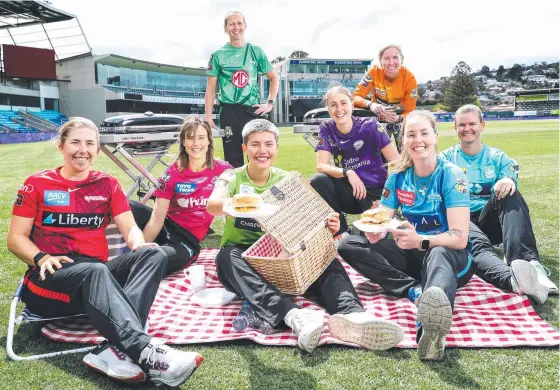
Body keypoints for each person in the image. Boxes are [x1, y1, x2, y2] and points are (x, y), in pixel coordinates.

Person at [7, 118, 203, 387]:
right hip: (50, 278)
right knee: (95, 270)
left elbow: (130, 228)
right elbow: (15, 238)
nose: (82, 150)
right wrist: (42, 257)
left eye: (90, 143)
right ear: (61, 145)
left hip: (96, 281)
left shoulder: (107, 184)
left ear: (98, 150)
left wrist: (139, 245)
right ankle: (145, 351)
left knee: (153, 253)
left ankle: (114, 350)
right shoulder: (36, 184)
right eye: (75, 142)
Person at [207, 118, 404, 353]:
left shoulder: (287, 180)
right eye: (255, 144)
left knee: (322, 256)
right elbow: (213, 204)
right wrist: (239, 204)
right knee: (225, 257)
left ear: (276, 148)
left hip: (284, 259)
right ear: (244, 148)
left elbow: (312, 219)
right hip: (246, 261)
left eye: (269, 144)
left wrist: (328, 225)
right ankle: (293, 316)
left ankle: (353, 316)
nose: (262, 151)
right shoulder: (233, 177)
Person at [337, 110, 474, 361]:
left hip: (452, 260)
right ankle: (414, 291)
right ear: (403, 140)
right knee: (347, 243)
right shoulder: (398, 177)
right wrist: (376, 232)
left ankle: (428, 335)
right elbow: (383, 218)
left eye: (424, 133)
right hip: (412, 255)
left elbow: (459, 238)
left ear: (435, 136)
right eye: (411, 134)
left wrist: (421, 240)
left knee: (439, 252)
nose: (418, 139)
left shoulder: (451, 175)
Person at [440, 104, 556, 301]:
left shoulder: (497, 157)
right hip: (460, 221)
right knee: (453, 215)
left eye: (472, 123)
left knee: (511, 193)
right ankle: (513, 276)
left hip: (488, 221)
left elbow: (510, 177)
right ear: (455, 128)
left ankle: (527, 263)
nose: (467, 128)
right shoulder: (445, 159)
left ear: (482, 125)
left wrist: (507, 181)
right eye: (462, 124)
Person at [130, 116, 232, 275]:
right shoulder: (171, 173)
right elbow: (157, 219)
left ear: (209, 141)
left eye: (201, 137)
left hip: (187, 240)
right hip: (166, 226)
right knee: (126, 206)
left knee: (156, 260)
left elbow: (238, 205)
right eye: (190, 138)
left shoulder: (224, 171)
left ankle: (137, 262)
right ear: (183, 142)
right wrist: (140, 250)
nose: (196, 143)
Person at [310, 84, 400, 237]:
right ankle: (341, 232)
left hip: (376, 193)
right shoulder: (326, 127)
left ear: (351, 104)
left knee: (377, 240)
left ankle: (384, 218)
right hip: (352, 193)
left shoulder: (370, 126)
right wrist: (348, 173)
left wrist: (387, 198)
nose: (339, 109)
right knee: (319, 180)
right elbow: (321, 166)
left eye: (343, 103)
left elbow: (397, 162)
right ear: (328, 109)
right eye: (333, 105)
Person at [204, 10, 279, 168]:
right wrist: (208, 116)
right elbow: (211, 88)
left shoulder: (255, 51)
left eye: (239, 23)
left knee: (259, 154)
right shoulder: (218, 55)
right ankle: (237, 192)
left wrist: (269, 103)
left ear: (245, 26)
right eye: (231, 24)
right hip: (229, 111)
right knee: (233, 159)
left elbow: (274, 78)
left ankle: (259, 190)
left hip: (252, 110)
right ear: (226, 28)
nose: (236, 27)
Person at [352, 44, 418, 152]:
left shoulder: (410, 78)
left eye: (395, 57)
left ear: (402, 60)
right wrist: (370, 105)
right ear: (380, 61)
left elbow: (410, 110)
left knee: (406, 158)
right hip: (378, 121)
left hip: (400, 122)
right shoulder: (373, 72)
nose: (391, 62)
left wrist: (399, 118)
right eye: (386, 58)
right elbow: (355, 97)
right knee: (378, 161)